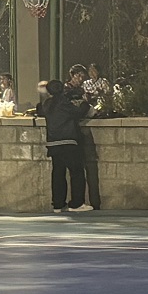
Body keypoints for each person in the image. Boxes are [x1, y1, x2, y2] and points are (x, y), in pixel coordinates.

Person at [37, 80, 92, 213]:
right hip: (68, 141)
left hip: (53, 143)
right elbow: (79, 112)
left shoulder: (47, 104)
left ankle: (58, 204)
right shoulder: (63, 103)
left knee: (58, 174)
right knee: (76, 172)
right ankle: (76, 203)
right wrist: (85, 103)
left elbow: (39, 109)